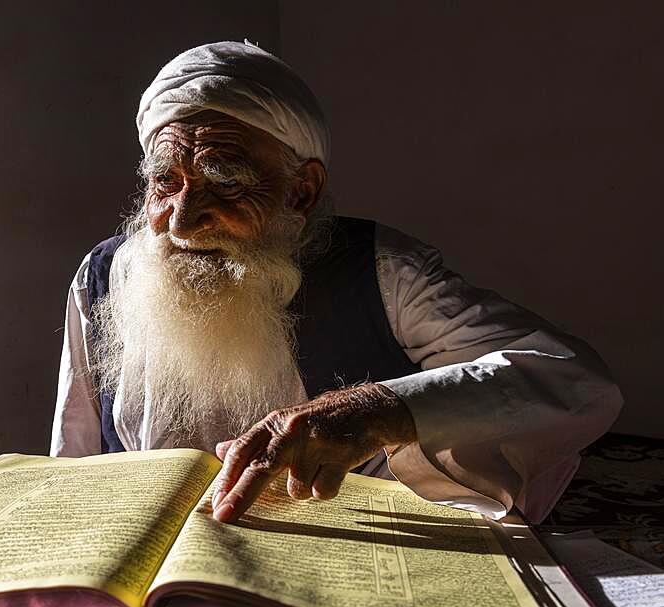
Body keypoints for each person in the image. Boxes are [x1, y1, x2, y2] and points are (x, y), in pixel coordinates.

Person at [50, 41, 622, 526]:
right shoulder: (103, 276)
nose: (180, 218)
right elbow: (72, 463)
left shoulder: (382, 271)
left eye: (225, 183)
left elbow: (575, 381)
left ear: (301, 191)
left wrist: (375, 411)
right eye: (164, 183)